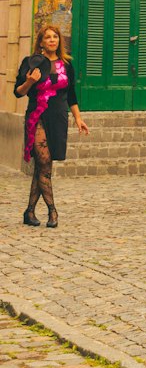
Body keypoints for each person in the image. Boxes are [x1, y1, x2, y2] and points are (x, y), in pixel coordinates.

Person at [14, 23, 88, 228]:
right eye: (47, 37)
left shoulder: (67, 65)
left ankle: (29, 212)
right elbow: (18, 92)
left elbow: (71, 95)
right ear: (41, 42)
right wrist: (29, 81)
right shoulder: (31, 63)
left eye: (55, 37)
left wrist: (78, 118)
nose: (52, 40)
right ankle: (52, 211)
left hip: (58, 117)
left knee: (42, 165)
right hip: (37, 116)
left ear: (59, 41)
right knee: (44, 161)